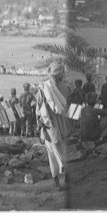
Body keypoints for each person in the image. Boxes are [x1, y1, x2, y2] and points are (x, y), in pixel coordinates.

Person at [35, 61, 72, 189]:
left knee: (52, 155)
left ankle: (56, 181)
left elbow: (39, 111)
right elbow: (68, 108)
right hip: (63, 125)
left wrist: (39, 127)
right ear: (61, 75)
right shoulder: (66, 89)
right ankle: (66, 177)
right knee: (64, 152)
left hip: (49, 127)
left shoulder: (43, 89)